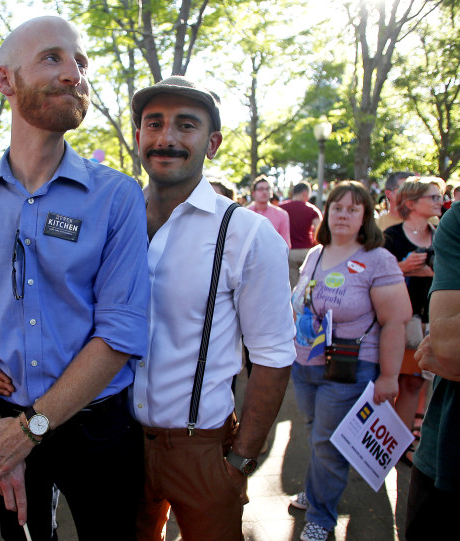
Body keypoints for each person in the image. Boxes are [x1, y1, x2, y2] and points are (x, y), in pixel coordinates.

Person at [0, 16, 149, 541]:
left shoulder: (117, 196)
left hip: (98, 427)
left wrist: (28, 431)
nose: (74, 73)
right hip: (1, 420)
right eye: (52, 58)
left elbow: (120, 331)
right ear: (6, 81)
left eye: (80, 62)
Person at [128, 76, 296, 541]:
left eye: (186, 125)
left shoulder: (246, 234)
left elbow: (274, 355)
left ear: (212, 142)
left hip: (200, 449)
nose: (166, 138)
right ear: (139, 136)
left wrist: (241, 461)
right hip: (118, 442)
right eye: (154, 124)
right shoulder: (114, 221)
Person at [289, 181, 410, 541]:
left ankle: (321, 519)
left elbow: (395, 321)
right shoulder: (315, 253)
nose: (343, 215)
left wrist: (389, 376)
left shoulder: (377, 259)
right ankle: (315, 491)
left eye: (352, 209)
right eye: (337, 207)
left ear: (365, 217)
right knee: (316, 434)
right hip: (306, 364)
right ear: (327, 213)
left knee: (326, 443)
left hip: (350, 367)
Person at [405, 192, 460, 540]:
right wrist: (457, 348)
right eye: (429, 196)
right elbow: (452, 347)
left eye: (439, 195)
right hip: (455, 463)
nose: (437, 200)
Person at [383, 177, 444, 461]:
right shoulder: (392, 236)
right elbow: (375, 277)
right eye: (432, 197)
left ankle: (400, 446)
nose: (438, 201)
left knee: (416, 384)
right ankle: (385, 445)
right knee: (395, 382)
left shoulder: (443, 234)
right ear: (411, 203)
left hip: (434, 320)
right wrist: (401, 267)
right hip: (401, 323)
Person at [281, 182, 322, 287]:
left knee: (292, 284)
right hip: (308, 252)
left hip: (288, 253)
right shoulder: (312, 210)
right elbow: (319, 231)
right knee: (307, 284)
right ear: (305, 194)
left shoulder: (281, 209)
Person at [246, 174, 291, 247]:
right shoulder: (245, 213)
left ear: (271, 193)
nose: (264, 192)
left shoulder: (282, 214)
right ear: (253, 193)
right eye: (260, 189)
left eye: (267, 189)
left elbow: (285, 244)